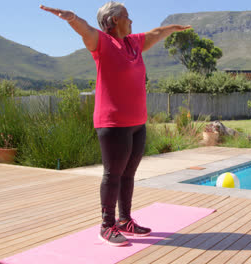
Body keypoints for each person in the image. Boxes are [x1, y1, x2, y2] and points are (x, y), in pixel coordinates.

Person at [40, 2, 191, 247]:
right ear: (113, 21)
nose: (131, 21)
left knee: (128, 174)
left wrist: (171, 29)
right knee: (113, 175)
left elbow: (154, 34)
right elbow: (85, 30)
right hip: (113, 123)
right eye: (127, 17)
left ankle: (125, 220)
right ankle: (106, 225)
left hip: (137, 123)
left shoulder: (133, 44)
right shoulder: (102, 43)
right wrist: (72, 18)